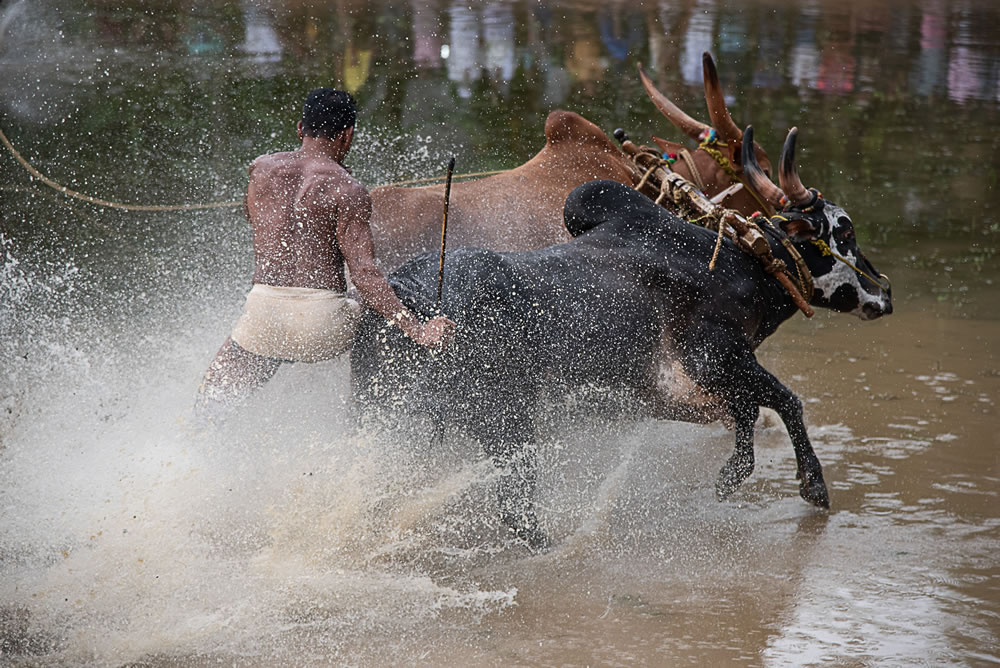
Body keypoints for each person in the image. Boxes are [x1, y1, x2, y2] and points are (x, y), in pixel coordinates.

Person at [198, 88, 455, 410]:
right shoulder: (348, 189)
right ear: (347, 136)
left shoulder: (260, 170)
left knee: (209, 404)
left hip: (263, 318)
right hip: (324, 327)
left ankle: (195, 439)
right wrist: (418, 330)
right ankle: (376, 412)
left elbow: (252, 217)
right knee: (392, 291)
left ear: (300, 128)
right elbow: (365, 275)